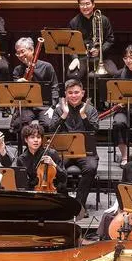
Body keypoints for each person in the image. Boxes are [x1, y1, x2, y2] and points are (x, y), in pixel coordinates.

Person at [47, 79, 100, 213]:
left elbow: (94, 131)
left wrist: (83, 116)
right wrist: (64, 115)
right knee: (54, 167)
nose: (74, 95)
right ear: (66, 94)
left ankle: (78, 205)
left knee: (91, 167)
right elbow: (52, 130)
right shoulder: (60, 110)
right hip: (64, 151)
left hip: (85, 152)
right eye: (70, 93)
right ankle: (63, 202)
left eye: (76, 92)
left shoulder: (90, 109)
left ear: (82, 93)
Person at [10, 36, 59, 132]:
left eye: (22, 51)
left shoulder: (47, 67)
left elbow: (55, 87)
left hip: (44, 105)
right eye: (17, 53)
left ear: (32, 50)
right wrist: (17, 85)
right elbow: (14, 94)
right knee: (19, 124)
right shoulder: (17, 70)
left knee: (48, 124)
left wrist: (53, 107)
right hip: (26, 106)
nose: (20, 55)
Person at [66, 0, 116, 81]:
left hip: (101, 57)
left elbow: (110, 40)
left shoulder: (103, 20)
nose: (85, 7)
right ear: (79, 6)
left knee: (113, 73)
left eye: (87, 4)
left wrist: (100, 50)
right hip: (82, 57)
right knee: (73, 75)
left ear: (93, 5)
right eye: (82, 4)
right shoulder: (74, 22)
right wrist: (75, 58)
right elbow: (70, 44)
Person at [14, 122, 63, 192]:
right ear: (26, 140)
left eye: (38, 137)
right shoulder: (22, 159)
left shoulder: (51, 154)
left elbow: (64, 177)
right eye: (32, 137)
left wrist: (54, 164)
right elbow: (23, 184)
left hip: (53, 191)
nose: (36, 140)